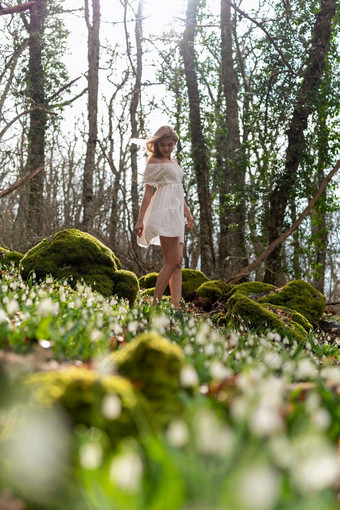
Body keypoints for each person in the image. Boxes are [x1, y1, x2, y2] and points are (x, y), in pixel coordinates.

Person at [135, 126, 194, 308]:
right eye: (163, 145)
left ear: (175, 143)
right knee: (172, 261)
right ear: (156, 144)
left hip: (176, 214)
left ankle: (176, 307)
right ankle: (155, 304)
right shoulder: (154, 163)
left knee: (178, 263)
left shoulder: (174, 161)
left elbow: (178, 191)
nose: (167, 148)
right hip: (163, 212)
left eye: (170, 144)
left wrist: (188, 214)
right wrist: (140, 220)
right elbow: (147, 193)